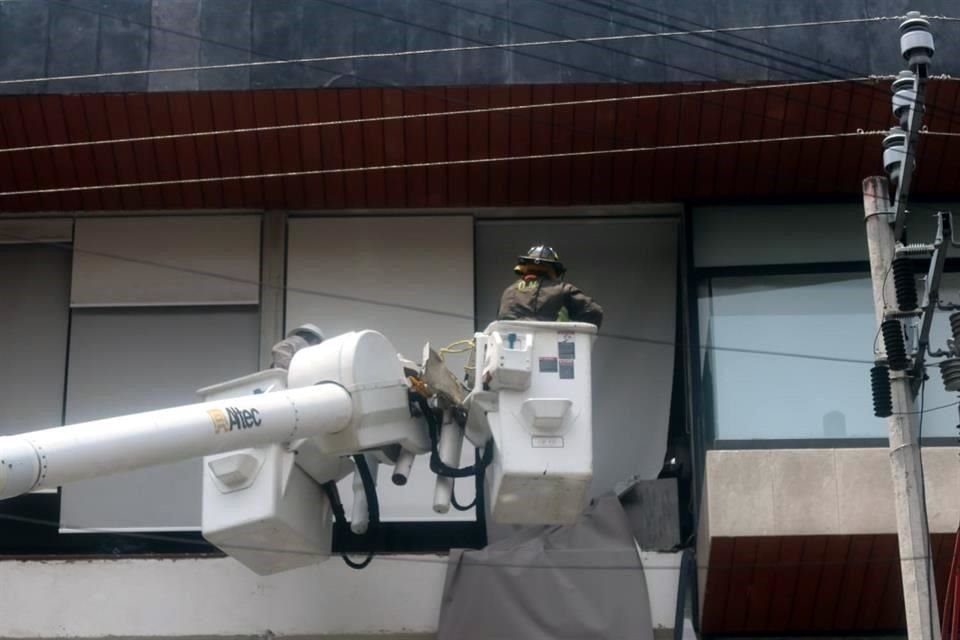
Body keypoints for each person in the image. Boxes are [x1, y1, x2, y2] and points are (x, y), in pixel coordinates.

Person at [497, 245, 603, 328]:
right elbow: (595, 312)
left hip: (513, 348)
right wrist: (570, 326)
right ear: (554, 270)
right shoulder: (564, 290)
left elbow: (502, 323)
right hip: (552, 347)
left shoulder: (509, 292)